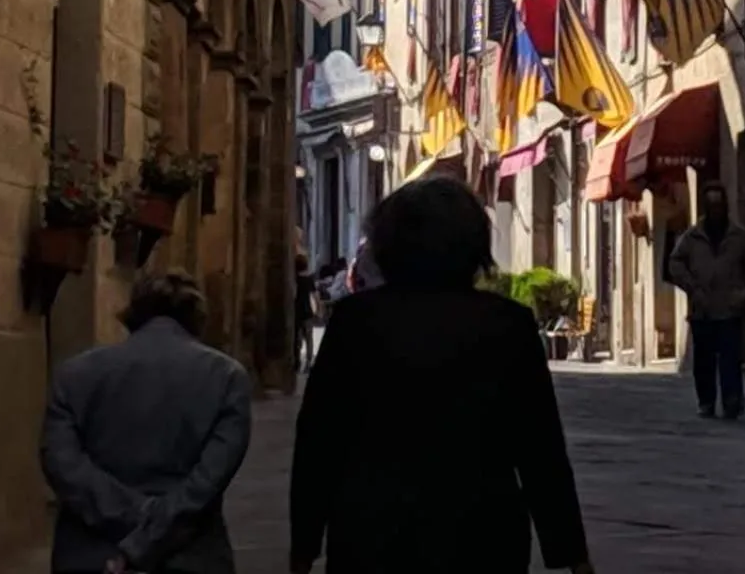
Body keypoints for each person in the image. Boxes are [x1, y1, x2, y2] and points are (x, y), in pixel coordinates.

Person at [290, 176, 593, 574]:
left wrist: (304, 544)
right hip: (482, 534)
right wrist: (571, 552)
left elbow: (319, 441)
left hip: (373, 532)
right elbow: (540, 448)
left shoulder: (355, 322)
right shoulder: (509, 325)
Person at [40, 268, 252, 573]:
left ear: (133, 314)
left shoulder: (73, 375)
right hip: (188, 556)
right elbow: (206, 482)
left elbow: (62, 464)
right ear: (196, 318)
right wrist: (150, 529)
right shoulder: (227, 378)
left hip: (92, 554)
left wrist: (131, 517)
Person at [668, 180, 745, 421]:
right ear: (705, 208)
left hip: (731, 307)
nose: (716, 209)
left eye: (719, 204)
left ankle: (732, 401)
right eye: (711, 205)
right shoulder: (692, 237)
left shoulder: (739, 236)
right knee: (704, 361)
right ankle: (706, 401)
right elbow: (675, 263)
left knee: (731, 358)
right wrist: (691, 286)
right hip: (703, 308)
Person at [294, 254, 320, 374]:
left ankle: (297, 361)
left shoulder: (294, 279)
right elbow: (315, 296)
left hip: (296, 311)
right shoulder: (309, 280)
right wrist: (318, 309)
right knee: (309, 338)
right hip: (307, 311)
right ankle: (308, 363)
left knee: (297, 339)